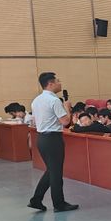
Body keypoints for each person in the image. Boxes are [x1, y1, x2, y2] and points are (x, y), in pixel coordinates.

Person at [28, 72, 78, 213]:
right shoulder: (54, 100)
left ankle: (36, 200)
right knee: (56, 173)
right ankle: (59, 204)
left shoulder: (36, 100)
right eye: (58, 81)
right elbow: (65, 121)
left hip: (42, 138)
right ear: (50, 84)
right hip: (53, 139)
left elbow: (36, 120)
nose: (60, 83)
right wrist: (67, 107)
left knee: (51, 171)